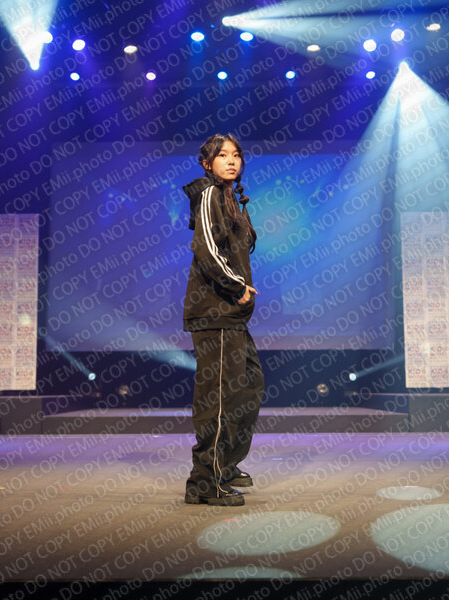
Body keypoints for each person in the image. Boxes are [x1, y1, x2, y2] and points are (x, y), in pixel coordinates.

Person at [182, 134, 264, 507]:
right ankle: (205, 481)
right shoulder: (209, 194)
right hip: (214, 312)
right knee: (217, 400)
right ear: (207, 163)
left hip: (232, 315)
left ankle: (225, 465)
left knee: (248, 388)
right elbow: (206, 248)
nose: (231, 161)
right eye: (222, 155)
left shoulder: (229, 198)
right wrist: (237, 286)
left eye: (236, 155)